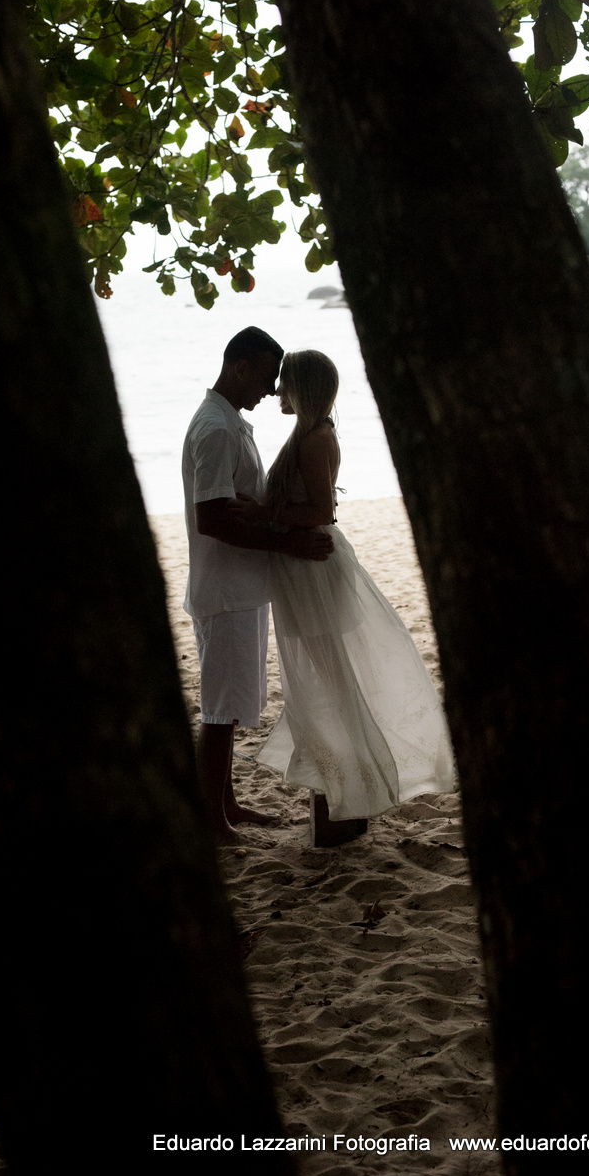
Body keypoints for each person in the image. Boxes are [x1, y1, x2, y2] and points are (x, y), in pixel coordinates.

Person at [233, 349, 455, 832]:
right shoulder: (307, 434)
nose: (277, 391)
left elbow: (322, 512)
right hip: (301, 571)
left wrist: (262, 513)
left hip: (314, 572)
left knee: (332, 685)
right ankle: (348, 790)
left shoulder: (316, 439)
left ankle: (357, 792)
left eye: (285, 383)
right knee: (326, 684)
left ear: (303, 388)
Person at [182, 328, 334, 844]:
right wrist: (289, 545)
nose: (272, 389)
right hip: (227, 590)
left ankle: (226, 804)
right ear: (240, 367)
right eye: (267, 377)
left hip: (241, 586)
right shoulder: (217, 428)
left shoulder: (230, 422)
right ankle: (213, 819)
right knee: (220, 710)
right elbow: (212, 520)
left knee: (228, 704)